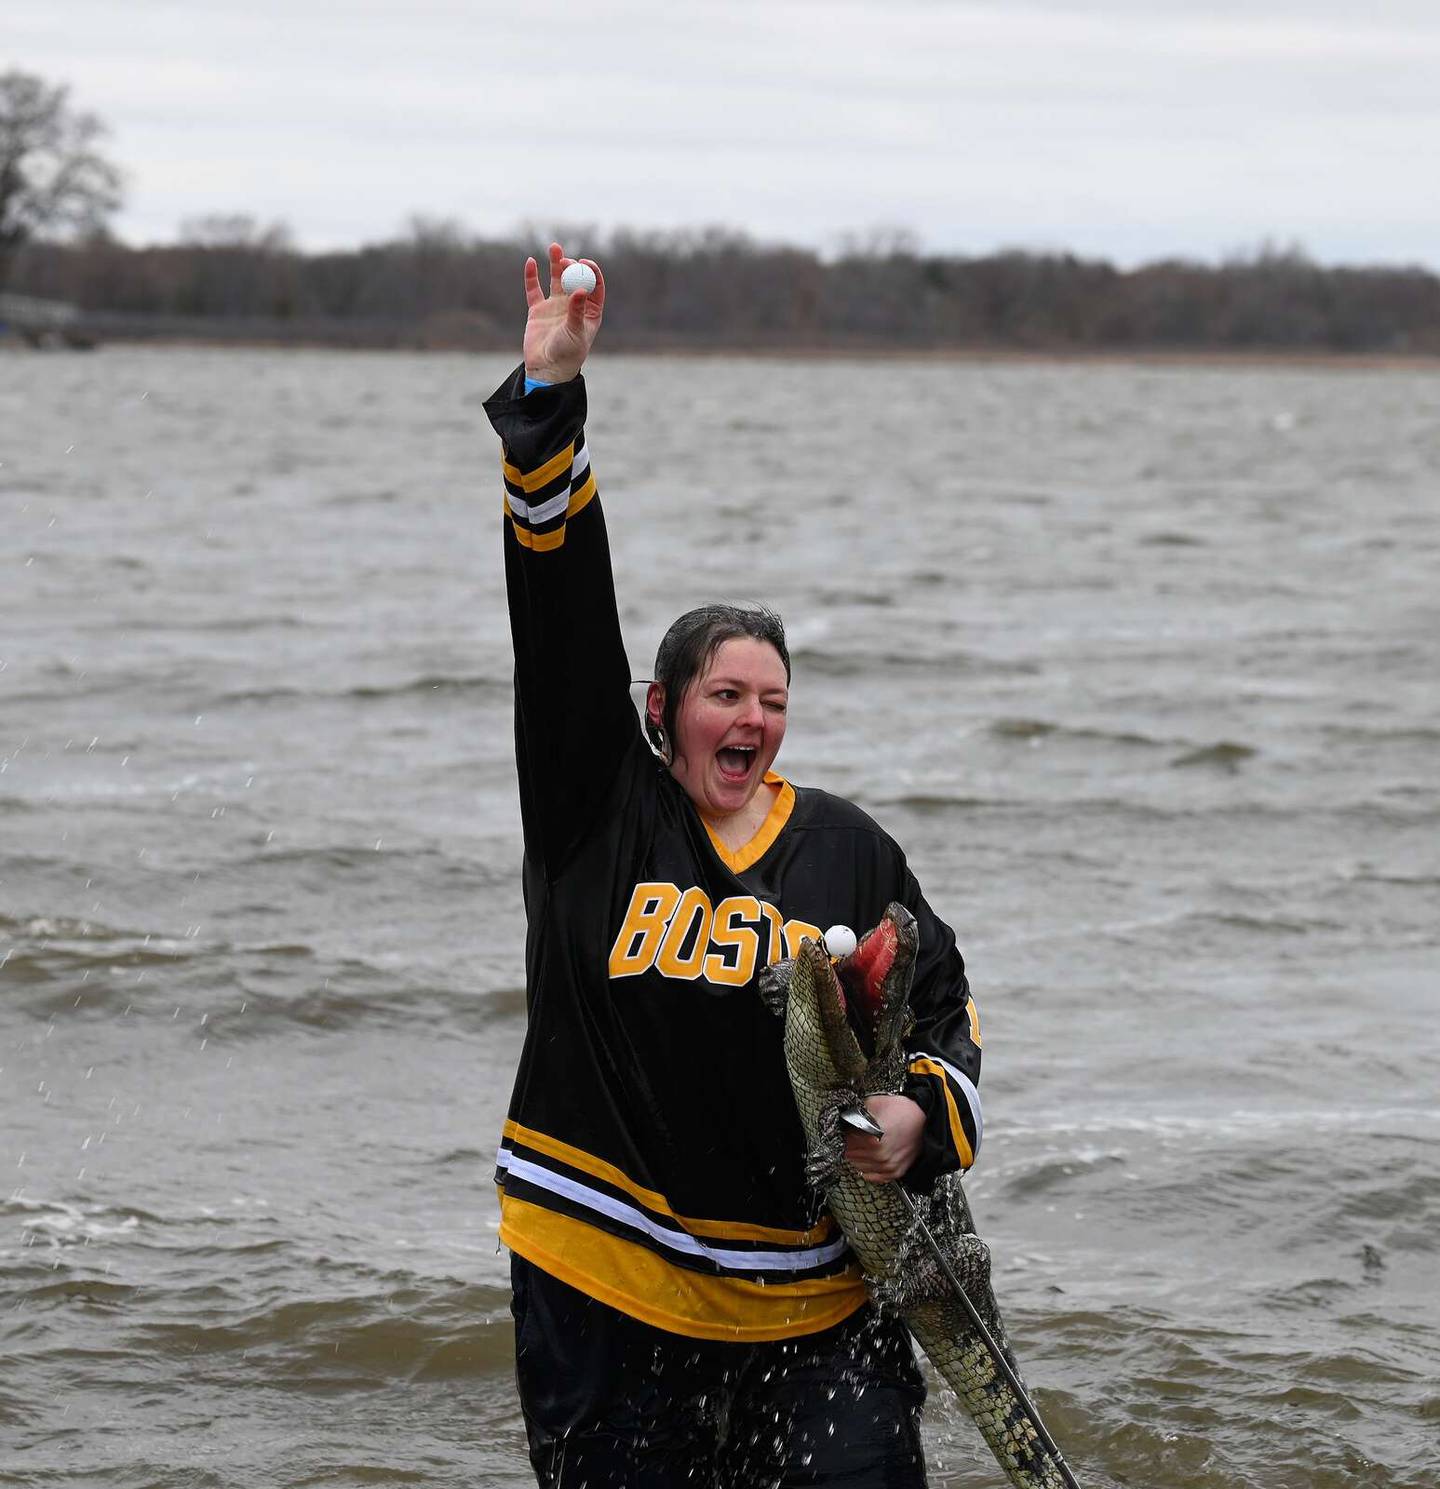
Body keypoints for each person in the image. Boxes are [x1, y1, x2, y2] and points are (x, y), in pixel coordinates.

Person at [486, 243, 984, 1488]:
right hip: (604, 1265)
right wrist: (550, 404)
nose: (752, 719)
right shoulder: (595, 808)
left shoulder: (851, 848)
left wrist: (924, 1117)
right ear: (663, 708)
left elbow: (942, 1011)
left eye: (773, 697)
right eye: (724, 693)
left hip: (816, 1302)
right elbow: (557, 613)